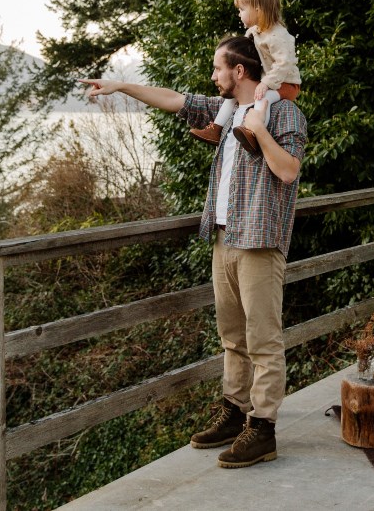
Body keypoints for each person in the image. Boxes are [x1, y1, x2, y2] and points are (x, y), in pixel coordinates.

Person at [81, 34, 308, 469]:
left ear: (239, 71)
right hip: (224, 238)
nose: (213, 76)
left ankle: (263, 430)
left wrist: (259, 132)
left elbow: (289, 170)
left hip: (259, 241)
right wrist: (120, 86)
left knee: (263, 340)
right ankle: (235, 412)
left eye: (217, 68)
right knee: (232, 338)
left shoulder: (280, 112)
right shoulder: (226, 113)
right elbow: (173, 99)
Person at [190, 0, 302, 154]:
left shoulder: (279, 35)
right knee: (231, 98)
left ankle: (253, 133)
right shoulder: (254, 31)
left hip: (286, 84)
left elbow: (284, 64)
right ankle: (216, 129)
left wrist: (266, 83)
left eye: (242, 10)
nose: (239, 14)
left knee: (262, 99)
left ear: (257, 9)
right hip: (269, 80)